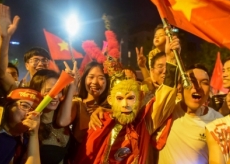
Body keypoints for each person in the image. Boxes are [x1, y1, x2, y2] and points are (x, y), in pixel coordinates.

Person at [77, 35, 180, 163]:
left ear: (139, 97)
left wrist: (170, 58)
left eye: (130, 98)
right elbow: (87, 155)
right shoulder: (101, 120)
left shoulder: (144, 122)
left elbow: (164, 96)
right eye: (119, 98)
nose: (125, 104)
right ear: (111, 99)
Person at [155, 64, 222, 163]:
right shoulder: (167, 111)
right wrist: (170, 57)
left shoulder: (218, 121)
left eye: (204, 83)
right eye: (191, 81)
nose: (197, 87)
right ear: (179, 87)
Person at [0, 3, 51, 93]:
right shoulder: (19, 88)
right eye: (36, 60)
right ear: (26, 65)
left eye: (44, 60)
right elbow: (1, 73)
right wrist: (4, 38)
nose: (40, 64)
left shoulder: (58, 88)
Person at [29, 69, 73, 164]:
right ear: (36, 91)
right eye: (50, 91)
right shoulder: (30, 123)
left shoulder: (62, 115)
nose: (56, 96)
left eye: (59, 91)